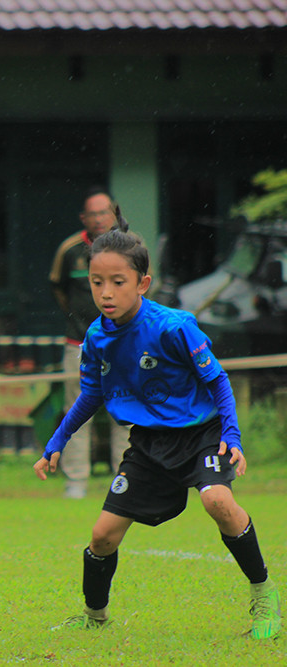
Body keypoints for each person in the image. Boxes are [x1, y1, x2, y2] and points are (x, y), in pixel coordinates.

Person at [33, 217, 281, 639]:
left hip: (202, 434)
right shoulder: (95, 338)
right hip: (149, 443)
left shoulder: (174, 326)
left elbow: (218, 380)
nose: (106, 292)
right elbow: (91, 395)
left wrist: (232, 435)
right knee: (102, 536)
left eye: (118, 282)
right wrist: (57, 441)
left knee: (217, 501)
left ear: (142, 283)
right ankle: (94, 617)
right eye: (96, 282)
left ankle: (264, 595)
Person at [48, 187, 130, 498]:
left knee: (125, 410)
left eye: (104, 212)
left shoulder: (132, 247)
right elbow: (58, 288)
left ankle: (127, 479)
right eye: (92, 214)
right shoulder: (69, 250)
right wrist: (82, 320)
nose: (98, 219)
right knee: (77, 411)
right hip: (79, 342)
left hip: (123, 342)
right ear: (84, 218)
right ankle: (76, 481)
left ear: (114, 214)